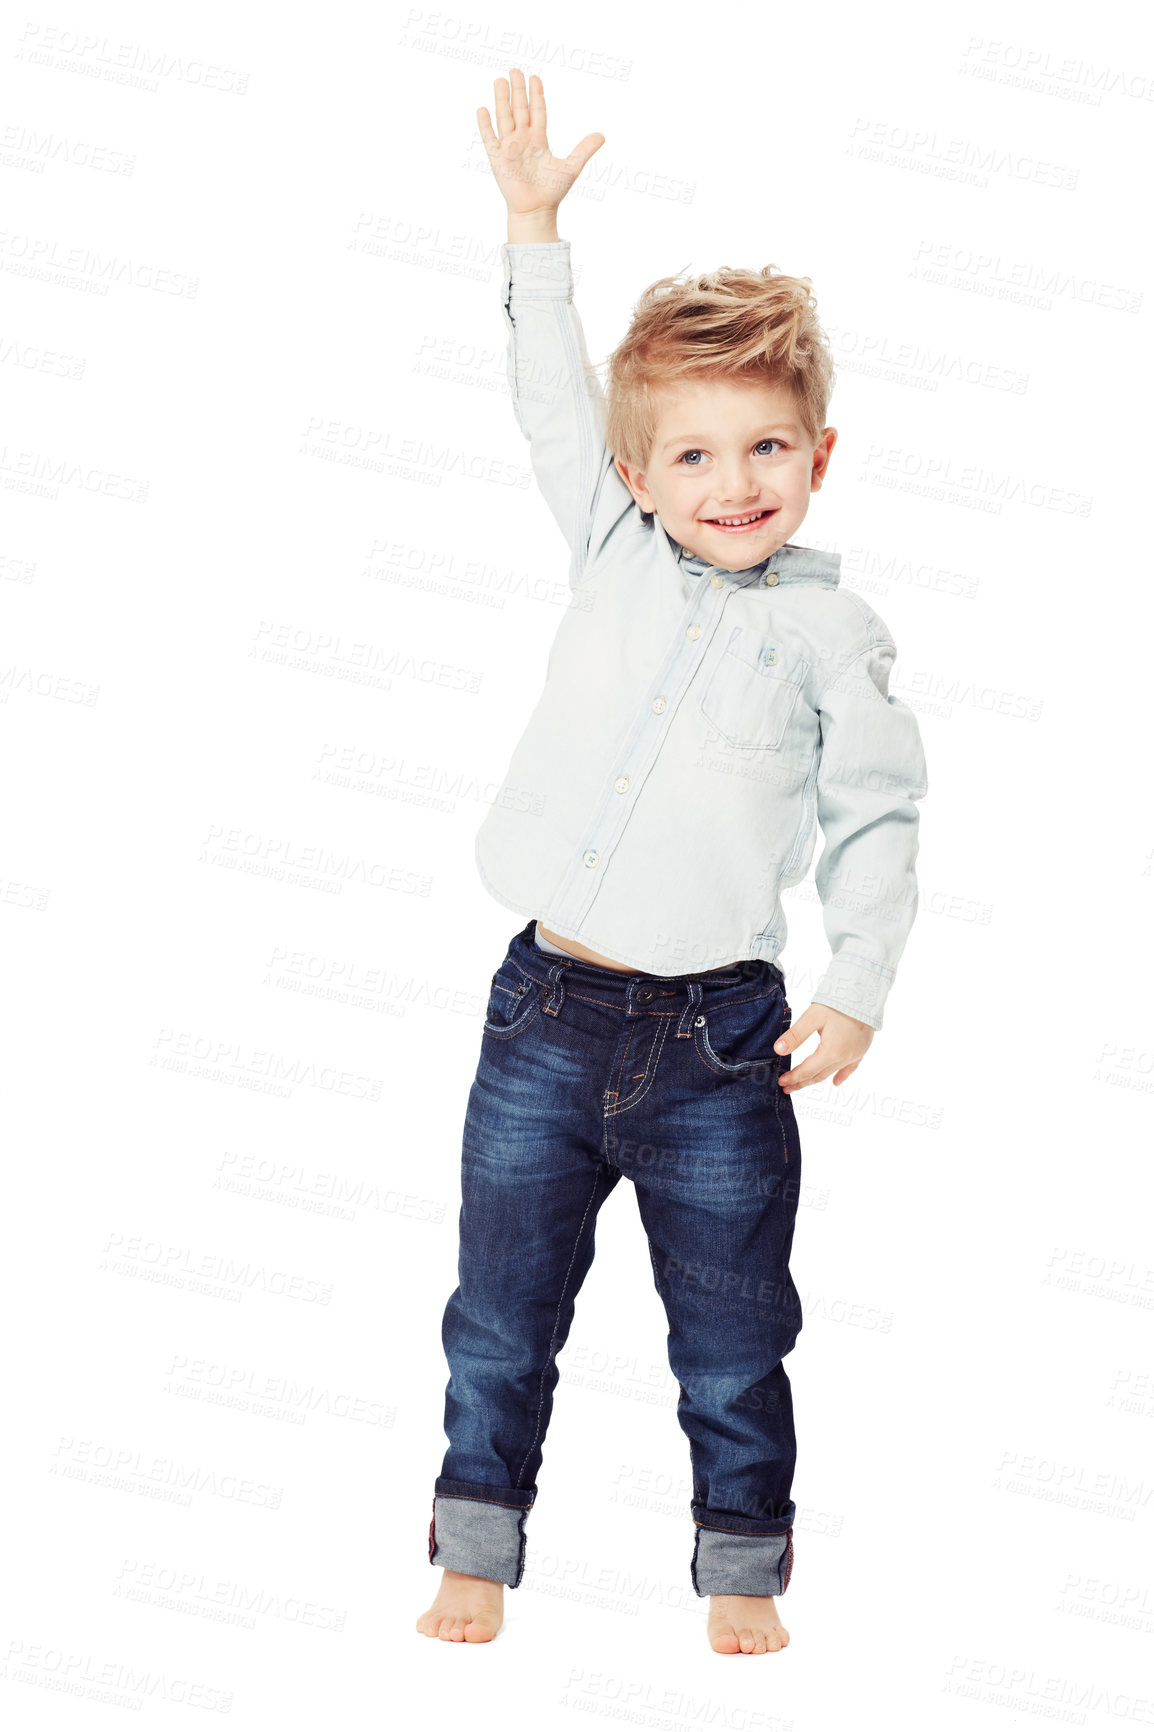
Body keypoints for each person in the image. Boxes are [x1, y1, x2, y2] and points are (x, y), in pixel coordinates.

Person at [417, 68, 929, 1655]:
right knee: (502, 1318)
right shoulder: (610, 542)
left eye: (767, 446)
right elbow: (551, 398)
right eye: (694, 457)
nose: (734, 484)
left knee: (730, 1329)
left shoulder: (833, 633)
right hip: (542, 1019)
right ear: (641, 477)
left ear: (820, 454)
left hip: (719, 1044)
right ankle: (474, 1551)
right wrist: (530, 233)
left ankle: (738, 1569)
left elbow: (879, 817)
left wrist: (852, 989)